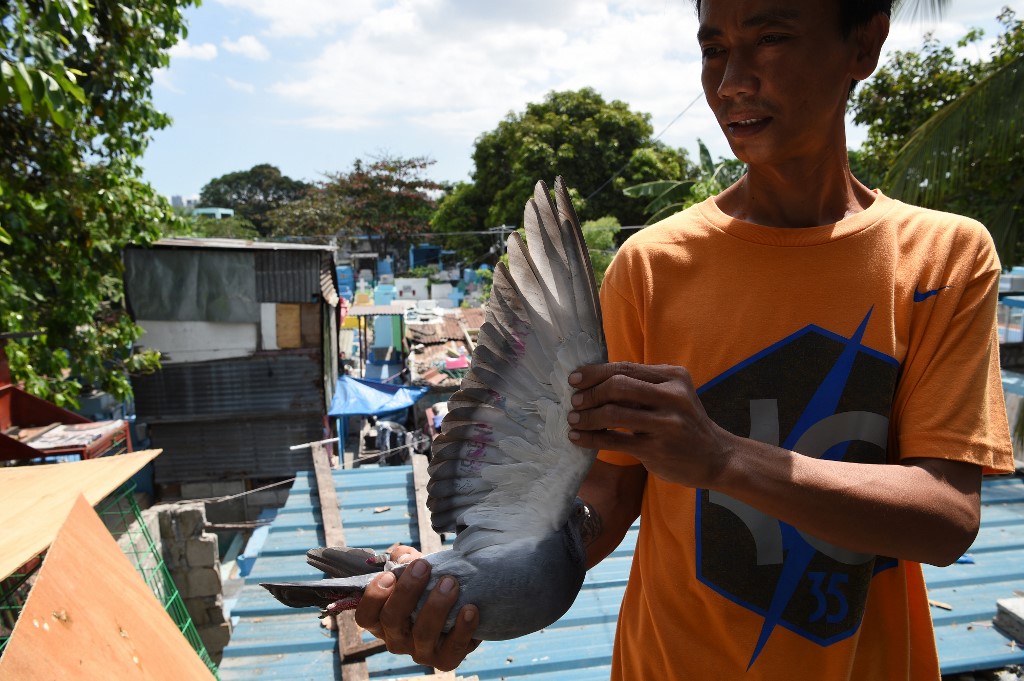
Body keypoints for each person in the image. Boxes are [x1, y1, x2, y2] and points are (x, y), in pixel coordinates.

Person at [354, 0, 1015, 678]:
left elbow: (945, 514)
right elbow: (606, 493)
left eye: (772, 38)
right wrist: (471, 593)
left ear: (864, 44)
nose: (732, 82)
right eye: (713, 49)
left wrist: (721, 457)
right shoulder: (651, 267)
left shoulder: (946, 259)